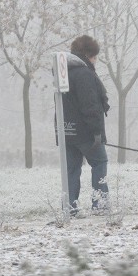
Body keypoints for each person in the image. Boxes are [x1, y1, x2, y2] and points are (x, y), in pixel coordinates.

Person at [59, 35, 110, 216]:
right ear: (88, 55)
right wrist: (97, 132)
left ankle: (70, 207)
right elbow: (90, 106)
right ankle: (100, 204)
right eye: (95, 57)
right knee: (100, 162)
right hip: (86, 132)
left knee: (72, 169)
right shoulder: (84, 74)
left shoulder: (63, 72)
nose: (95, 61)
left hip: (67, 131)